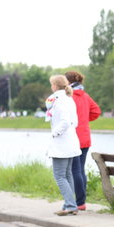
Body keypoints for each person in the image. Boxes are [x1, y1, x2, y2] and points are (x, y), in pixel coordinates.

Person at [64, 71, 102, 211]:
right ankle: (81, 200)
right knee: (80, 169)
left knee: (74, 170)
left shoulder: (69, 97)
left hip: (72, 137)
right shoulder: (85, 96)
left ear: (67, 82)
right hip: (85, 138)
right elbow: (96, 111)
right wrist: (85, 119)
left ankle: (79, 202)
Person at [46, 75, 82, 216]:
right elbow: (75, 122)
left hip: (62, 143)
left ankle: (71, 205)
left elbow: (65, 122)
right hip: (71, 141)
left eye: (51, 84)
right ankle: (69, 204)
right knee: (68, 175)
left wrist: (55, 133)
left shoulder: (59, 100)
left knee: (60, 176)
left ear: (55, 85)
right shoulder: (69, 99)